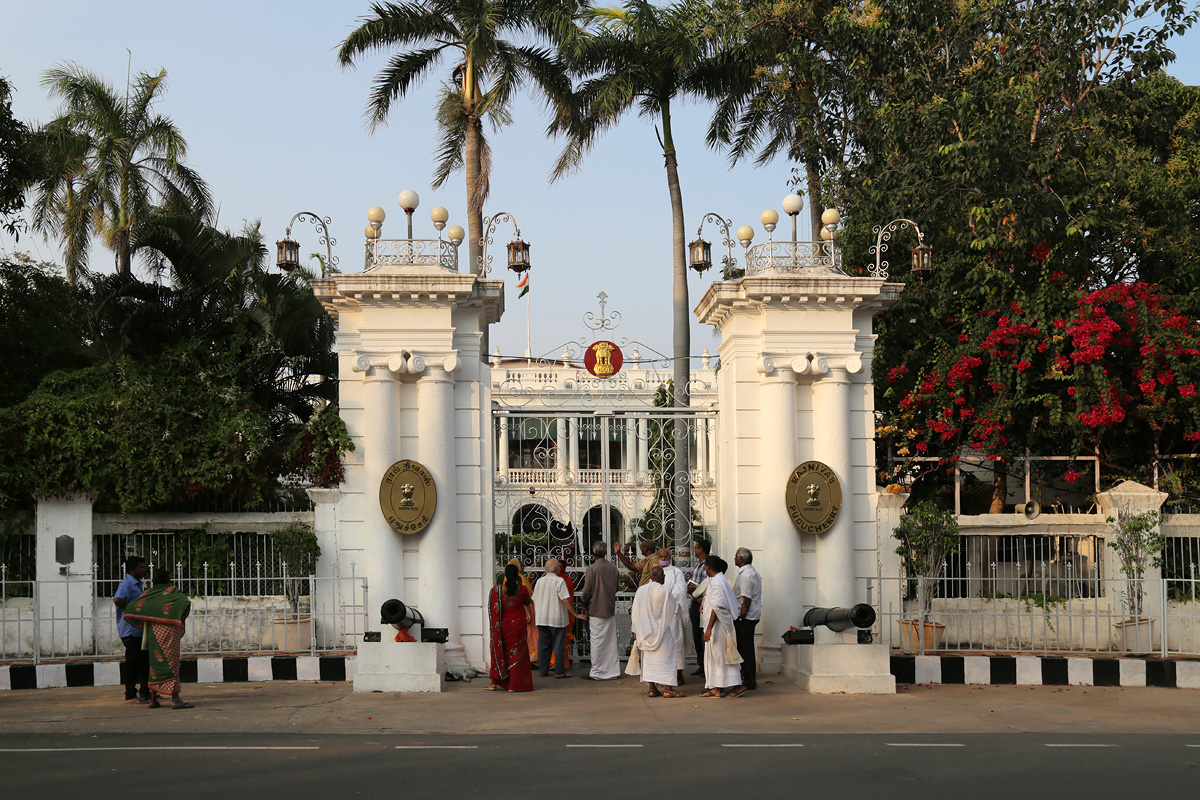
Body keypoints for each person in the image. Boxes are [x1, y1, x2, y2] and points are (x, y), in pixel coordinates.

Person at [123, 568, 193, 709]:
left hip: (153, 634)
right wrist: (179, 620)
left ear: (153, 581)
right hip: (170, 633)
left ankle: (153, 699)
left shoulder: (148, 594)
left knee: (154, 665)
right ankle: (175, 699)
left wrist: (144, 624)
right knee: (172, 664)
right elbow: (185, 604)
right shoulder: (173, 593)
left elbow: (131, 608)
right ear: (169, 580)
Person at [630, 565, 686, 698]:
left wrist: (635, 629)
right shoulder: (665, 591)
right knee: (668, 657)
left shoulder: (641, 590)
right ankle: (668, 688)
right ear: (662, 577)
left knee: (649, 659)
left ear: (650, 577)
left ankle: (652, 688)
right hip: (661, 630)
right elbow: (671, 610)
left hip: (645, 632)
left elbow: (635, 611)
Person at [699, 556, 745, 698]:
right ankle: (716, 687)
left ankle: (736, 685)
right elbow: (713, 602)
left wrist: (709, 629)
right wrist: (704, 605)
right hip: (717, 625)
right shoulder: (719, 580)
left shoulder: (718, 582)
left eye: (705, 566)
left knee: (720, 656)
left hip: (717, 627)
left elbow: (718, 607)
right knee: (718, 656)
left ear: (708, 567)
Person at [531, 559, 585, 678]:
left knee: (543, 646)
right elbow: (565, 599)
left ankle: (543, 671)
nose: (560, 568)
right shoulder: (559, 581)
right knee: (559, 645)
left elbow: (533, 599)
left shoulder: (539, 581)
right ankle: (559, 672)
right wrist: (576, 614)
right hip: (557, 618)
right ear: (556, 568)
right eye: (559, 566)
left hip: (542, 618)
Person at [486, 563, 534, 692]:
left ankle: (495, 682)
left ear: (506, 575)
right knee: (517, 653)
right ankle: (514, 685)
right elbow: (529, 602)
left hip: (503, 625)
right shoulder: (522, 589)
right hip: (518, 624)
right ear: (517, 574)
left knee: (502, 651)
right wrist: (529, 614)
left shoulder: (497, 590)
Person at [113, 555, 150, 704]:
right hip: (130, 629)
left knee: (144, 661)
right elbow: (117, 599)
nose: (143, 569)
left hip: (139, 629)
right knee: (133, 662)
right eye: (141, 567)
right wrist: (131, 612)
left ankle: (145, 692)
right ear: (133, 569)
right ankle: (130, 694)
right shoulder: (127, 584)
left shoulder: (138, 584)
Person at [580, 540, 619, 681]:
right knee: (609, 642)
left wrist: (584, 604)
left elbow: (586, 592)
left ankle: (597, 672)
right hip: (609, 607)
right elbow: (617, 587)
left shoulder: (592, 568)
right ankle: (612, 671)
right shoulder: (613, 567)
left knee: (596, 641)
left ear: (594, 553)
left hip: (595, 608)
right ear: (606, 552)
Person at [658, 548, 690, 685]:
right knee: (661, 645)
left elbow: (682, 590)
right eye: (661, 556)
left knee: (677, 642)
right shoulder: (655, 571)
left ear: (670, 557)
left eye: (666, 557)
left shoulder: (676, 572)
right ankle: (662, 674)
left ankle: (678, 673)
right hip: (658, 614)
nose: (664, 559)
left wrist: (672, 599)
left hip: (673, 613)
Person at [733, 547, 762, 691]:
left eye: (736, 556)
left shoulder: (746, 575)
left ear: (741, 558)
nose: (734, 559)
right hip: (749, 615)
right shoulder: (751, 572)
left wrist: (741, 617)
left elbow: (746, 599)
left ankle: (750, 680)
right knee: (745, 648)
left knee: (745, 649)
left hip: (746, 617)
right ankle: (747, 676)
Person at [687, 537, 711, 677]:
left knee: (703, 634)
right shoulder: (698, 564)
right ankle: (701, 663)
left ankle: (707, 664)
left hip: (702, 603)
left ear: (701, 549)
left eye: (696, 547)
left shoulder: (708, 564)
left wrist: (697, 592)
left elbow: (707, 583)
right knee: (696, 634)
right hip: (695, 601)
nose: (694, 550)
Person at [508, 558, 537, 666]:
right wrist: (528, 612)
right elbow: (522, 597)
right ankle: (527, 658)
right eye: (521, 564)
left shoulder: (521, 577)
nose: (523, 565)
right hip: (525, 609)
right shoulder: (518, 579)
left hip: (527, 608)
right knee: (527, 635)